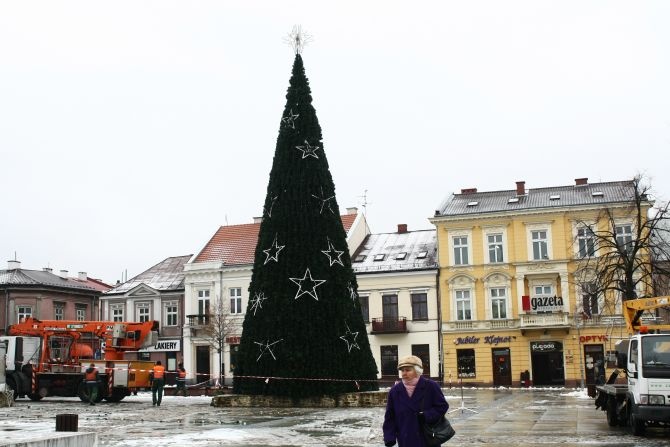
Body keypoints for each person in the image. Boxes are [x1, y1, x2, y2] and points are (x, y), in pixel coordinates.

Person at [383, 355, 449, 447]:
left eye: (408, 370)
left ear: (417, 371)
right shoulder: (395, 391)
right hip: (405, 439)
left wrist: (426, 415)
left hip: (427, 438)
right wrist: (389, 437)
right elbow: (390, 417)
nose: (404, 373)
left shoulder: (431, 386)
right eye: (402, 370)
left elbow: (442, 406)